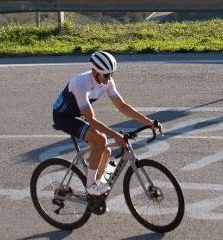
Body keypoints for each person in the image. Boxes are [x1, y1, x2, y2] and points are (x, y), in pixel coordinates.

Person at [52, 50, 162, 195]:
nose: (109, 78)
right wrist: (116, 135)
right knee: (100, 139)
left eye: (112, 74)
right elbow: (91, 119)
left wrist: (148, 122)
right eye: (106, 74)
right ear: (94, 71)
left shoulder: (107, 81)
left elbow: (122, 106)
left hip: (78, 113)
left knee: (106, 150)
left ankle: (95, 190)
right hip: (63, 117)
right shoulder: (81, 84)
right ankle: (90, 186)